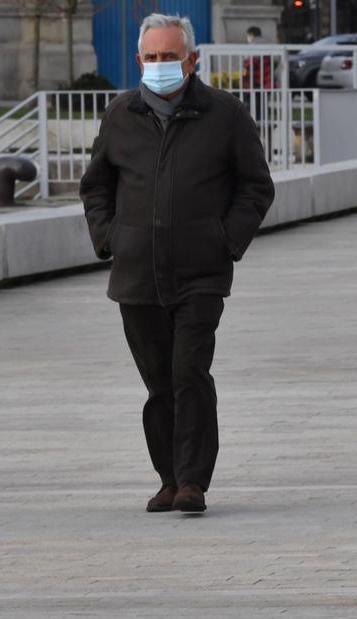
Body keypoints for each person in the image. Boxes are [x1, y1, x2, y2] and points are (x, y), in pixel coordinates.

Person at [79, 13, 275, 514]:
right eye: (153, 57)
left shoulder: (225, 114)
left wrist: (226, 240)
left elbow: (256, 186)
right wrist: (109, 238)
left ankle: (192, 481)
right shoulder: (120, 115)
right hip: (136, 276)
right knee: (158, 384)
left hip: (200, 274)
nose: (161, 65)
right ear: (139, 60)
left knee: (190, 373)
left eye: (171, 57)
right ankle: (167, 478)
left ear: (192, 60)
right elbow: (96, 186)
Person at [242, 25, 274, 123]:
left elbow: (249, 64)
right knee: (263, 104)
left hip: (255, 81)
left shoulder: (253, 46)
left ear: (251, 35)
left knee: (254, 106)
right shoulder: (268, 45)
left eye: (248, 35)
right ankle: (265, 123)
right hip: (266, 81)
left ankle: (256, 124)